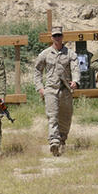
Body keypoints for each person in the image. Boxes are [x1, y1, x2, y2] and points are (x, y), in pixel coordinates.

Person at [34, 26, 80, 157]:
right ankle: (54, 142)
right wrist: (40, 88)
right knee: (52, 117)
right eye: (55, 36)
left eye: (59, 36)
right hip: (50, 90)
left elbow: (76, 69)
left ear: (62, 36)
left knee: (66, 117)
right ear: (52, 38)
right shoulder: (45, 54)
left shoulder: (70, 54)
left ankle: (62, 140)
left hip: (65, 90)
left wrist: (75, 81)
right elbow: (37, 71)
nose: (57, 38)